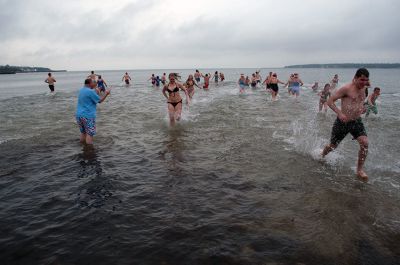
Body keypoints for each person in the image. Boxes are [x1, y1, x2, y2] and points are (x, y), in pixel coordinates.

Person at [321, 68, 370, 181]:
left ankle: (359, 170)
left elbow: (361, 100)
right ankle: (323, 155)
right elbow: (330, 101)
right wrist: (339, 113)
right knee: (332, 147)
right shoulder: (346, 89)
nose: (364, 83)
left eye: (366, 80)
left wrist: (362, 108)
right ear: (355, 78)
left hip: (357, 121)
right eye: (361, 80)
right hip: (342, 122)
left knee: (365, 143)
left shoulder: (364, 86)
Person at [76, 79, 110, 145]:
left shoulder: (81, 90)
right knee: (90, 134)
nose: (95, 83)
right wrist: (106, 94)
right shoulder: (90, 91)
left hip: (79, 115)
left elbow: (89, 98)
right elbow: (100, 101)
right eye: (94, 82)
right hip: (88, 116)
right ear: (89, 83)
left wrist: (96, 91)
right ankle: (89, 150)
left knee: (83, 132)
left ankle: (82, 146)